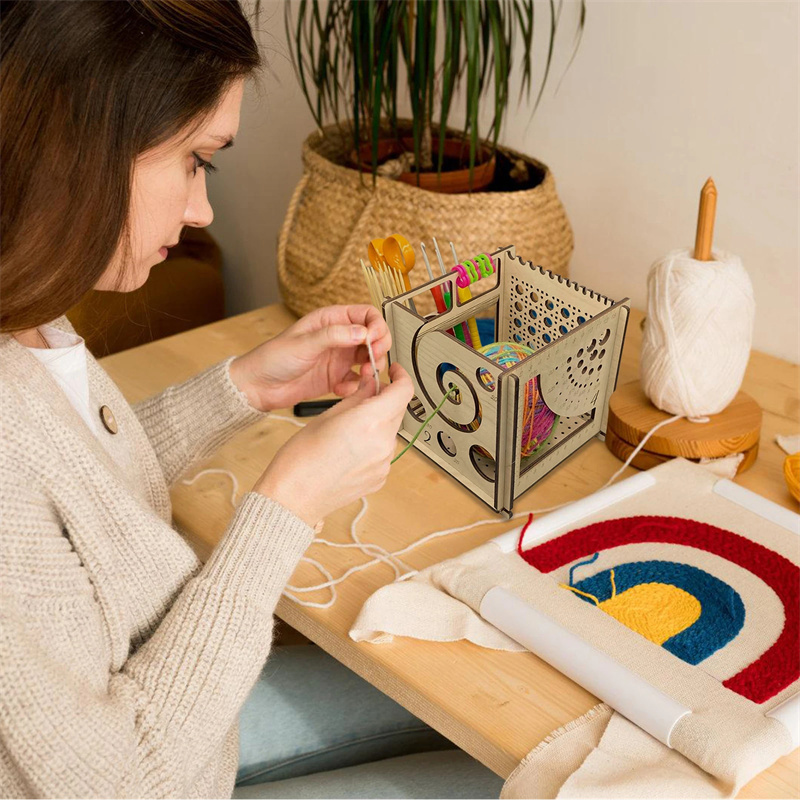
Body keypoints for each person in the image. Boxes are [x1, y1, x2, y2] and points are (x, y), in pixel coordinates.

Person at [0, 2, 505, 798]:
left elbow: (75, 501)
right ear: (80, 143)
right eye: (196, 160)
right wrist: (288, 503)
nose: (201, 208)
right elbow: (119, 781)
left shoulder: (25, 316)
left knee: (474, 704)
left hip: (186, 735)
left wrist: (246, 386)